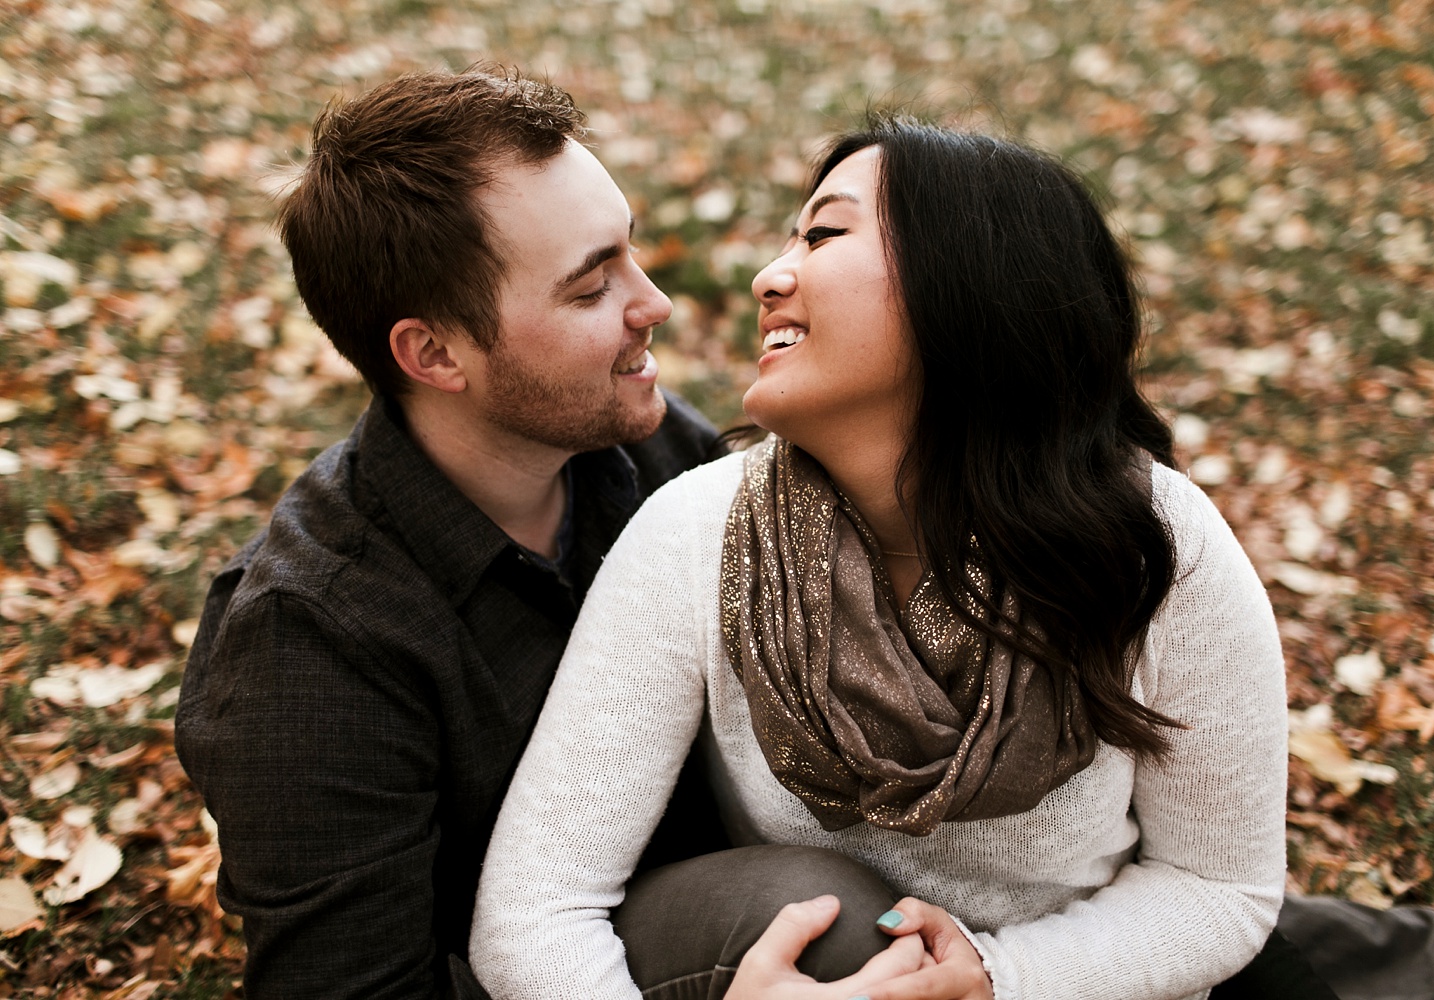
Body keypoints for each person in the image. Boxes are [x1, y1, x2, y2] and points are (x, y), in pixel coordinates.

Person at [468, 117, 1291, 999]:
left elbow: (1220, 887)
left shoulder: (1150, 546)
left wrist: (1000, 980)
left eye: (823, 233)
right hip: (789, 971)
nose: (767, 276)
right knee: (823, 908)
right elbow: (533, 911)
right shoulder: (695, 537)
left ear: (969, 284)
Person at [174, 66, 753, 998]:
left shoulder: (643, 453)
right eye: (590, 287)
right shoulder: (308, 644)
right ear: (435, 353)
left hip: (700, 883)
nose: (655, 304)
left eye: (629, 252)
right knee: (818, 907)